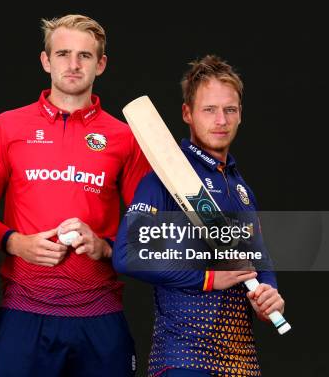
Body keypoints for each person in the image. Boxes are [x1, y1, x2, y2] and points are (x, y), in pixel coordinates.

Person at [0, 14, 151, 376]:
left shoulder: (124, 137)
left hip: (100, 315)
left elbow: (148, 228)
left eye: (85, 56)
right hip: (24, 312)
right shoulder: (7, 126)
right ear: (45, 60)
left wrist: (103, 245)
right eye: (63, 54)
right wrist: (14, 242)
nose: (73, 65)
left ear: (100, 64)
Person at [113, 55, 286, 376]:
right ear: (187, 114)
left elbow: (259, 259)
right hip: (184, 358)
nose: (221, 120)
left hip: (241, 361)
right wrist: (207, 278)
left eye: (229, 110)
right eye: (209, 109)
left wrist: (270, 295)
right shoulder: (161, 180)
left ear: (240, 116)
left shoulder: (241, 188)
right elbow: (127, 255)